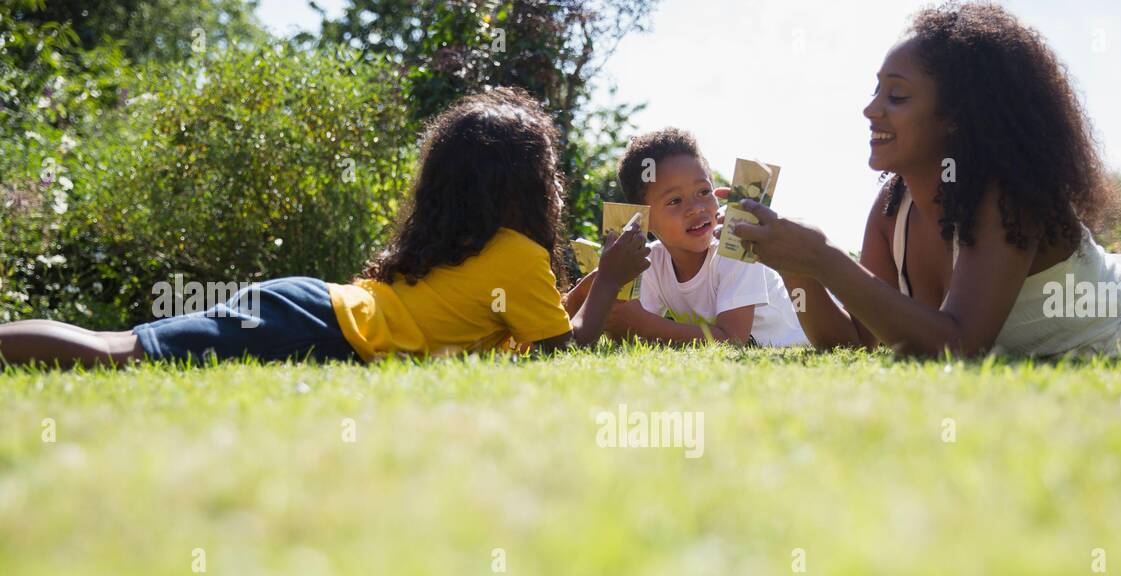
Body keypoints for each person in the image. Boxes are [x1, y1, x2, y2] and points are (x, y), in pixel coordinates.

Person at [728, 2, 1121, 360]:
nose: (871, 110)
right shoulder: (890, 209)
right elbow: (859, 344)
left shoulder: (1004, 196)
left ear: (957, 117)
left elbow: (957, 344)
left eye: (896, 95)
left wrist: (826, 259)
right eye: (876, 90)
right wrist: (794, 267)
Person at [0, 88, 649, 369]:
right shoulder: (516, 255)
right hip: (316, 323)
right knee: (121, 352)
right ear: (532, 186)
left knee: (124, 349)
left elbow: (540, 331)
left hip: (308, 307)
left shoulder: (470, 246)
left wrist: (597, 283)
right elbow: (560, 353)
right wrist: (612, 280)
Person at [566, 128, 808, 347]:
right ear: (646, 220)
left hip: (801, 340)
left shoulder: (735, 247)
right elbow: (627, 332)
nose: (695, 208)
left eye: (704, 192)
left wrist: (642, 324)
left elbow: (732, 339)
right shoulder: (652, 262)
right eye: (675, 201)